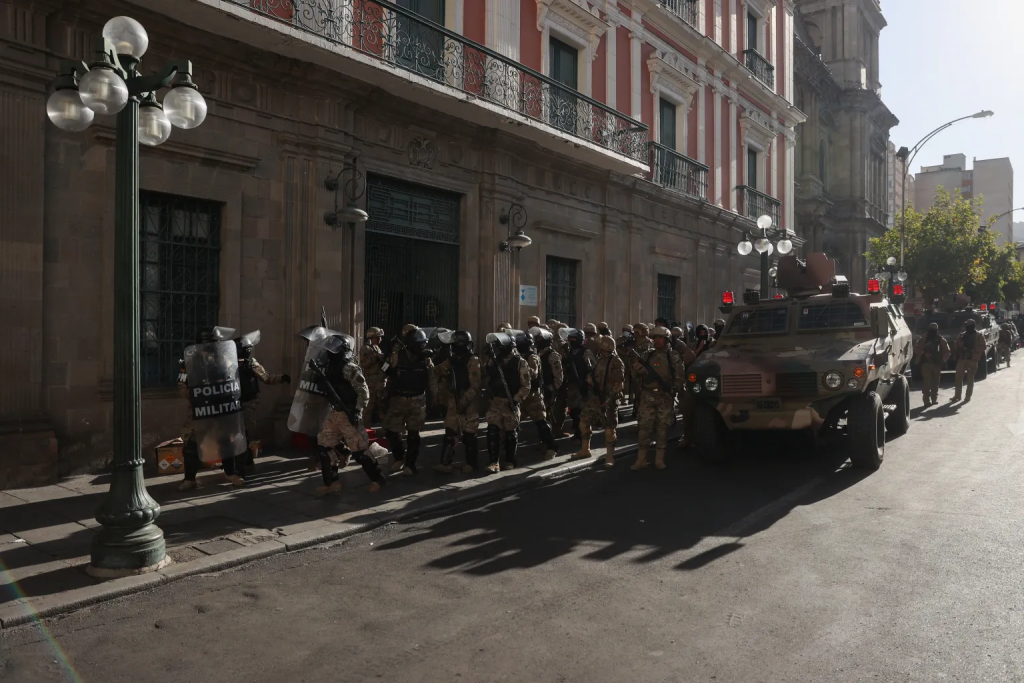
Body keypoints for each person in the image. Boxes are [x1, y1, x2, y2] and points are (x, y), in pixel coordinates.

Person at [312, 333, 387, 495]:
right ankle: (332, 483)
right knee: (325, 448)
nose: (330, 352)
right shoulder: (327, 366)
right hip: (333, 412)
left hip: (349, 412)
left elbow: (363, 392)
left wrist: (358, 411)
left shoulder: (349, 368)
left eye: (334, 349)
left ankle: (377, 479)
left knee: (360, 452)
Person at [178, 327, 245, 491]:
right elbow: (182, 385)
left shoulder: (223, 360)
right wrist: (198, 396)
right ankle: (189, 479)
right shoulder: (189, 362)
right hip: (199, 409)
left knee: (225, 440)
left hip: (220, 407)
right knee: (191, 443)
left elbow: (232, 378)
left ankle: (231, 473)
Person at [235, 331, 290, 475]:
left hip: (248, 403)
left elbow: (266, 377)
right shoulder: (229, 363)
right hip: (232, 404)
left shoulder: (251, 363)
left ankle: (245, 460)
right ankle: (239, 461)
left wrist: (282, 378)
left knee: (245, 432)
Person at [385, 325, 437, 474]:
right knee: (392, 432)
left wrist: (434, 396)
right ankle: (399, 457)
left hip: (418, 400)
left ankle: (410, 464)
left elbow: (432, 378)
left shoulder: (426, 359)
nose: (423, 347)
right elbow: (384, 372)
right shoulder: (397, 356)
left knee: (414, 434)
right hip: (398, 399)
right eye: (420, 345)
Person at [631, 327, 686, 470]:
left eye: (660, 338)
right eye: (655, 338)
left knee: (662, 429)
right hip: (647, 396)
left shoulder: (672, 356)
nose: (657, 340)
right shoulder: (647, 355)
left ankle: (659, 460)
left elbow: (680, 376)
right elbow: (634, 375)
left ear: (666, 339)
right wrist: (637, 369)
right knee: (644, 428)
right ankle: (641, 459)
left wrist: (674, 388)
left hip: (664, 397)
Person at [432, 331, 481, 474]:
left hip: (469, 402)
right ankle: (445, 463)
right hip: (453, 399)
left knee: (469, 435)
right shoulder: (452, 359)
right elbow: (437, 370)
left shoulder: (473, 360)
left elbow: (475, 385)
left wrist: (464, 401)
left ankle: (471, 464)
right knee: (450, 433)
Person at [573, 335, 625, 467]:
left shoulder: (616, 362)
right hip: (594, 398)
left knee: (609, 429)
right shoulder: (600, 359)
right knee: (584, 421)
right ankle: (585, 449)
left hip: (608, 400)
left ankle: (609, 456)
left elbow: (619, 384)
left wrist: (609, 399)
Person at [483, 334, 531, 472]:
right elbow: (486, 373)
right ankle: (493, 462)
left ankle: (510, 460)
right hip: (496, 401)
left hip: (511, 402)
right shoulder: (495, 360)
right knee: (492, 431)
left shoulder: (520, 362)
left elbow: (526, 386)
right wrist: (489, 359)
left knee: (511, 433)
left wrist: (516, 399)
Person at [515, 331, 559, 461]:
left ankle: (552, 447)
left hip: (533, 396)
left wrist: (520, 365)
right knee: (512, 423)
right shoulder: (519, 356)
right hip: (521, 395)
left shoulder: (532, 357)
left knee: (541, 423)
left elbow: (533, 374)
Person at [554, 328, 595, 440]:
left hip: (582, 384)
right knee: (573, 410)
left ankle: (581, 434)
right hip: (571, 385)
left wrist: (588, 382)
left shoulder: (586, 352)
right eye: (570, 339)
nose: (571, 341)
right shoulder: (569, 352)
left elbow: (592, 368)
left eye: (573, 339)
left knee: (581, 411)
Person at [914, 322, 950, 407]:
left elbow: (947, 351)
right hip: (926, 363)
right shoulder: (923, 338)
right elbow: (916, 349)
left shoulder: (940, 339)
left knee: (935, 382)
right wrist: (924, 353)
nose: (932, 331)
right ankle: (926, 400)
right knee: (927, 382)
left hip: (937, 364)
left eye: (934, 329)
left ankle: (934, 399)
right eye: (931, 329)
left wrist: (943, 359)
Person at [952, 317, 986, 403]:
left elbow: (983, 346)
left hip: (972, 360)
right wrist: (959, 344)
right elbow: (955, 345)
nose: (967, 327)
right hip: (962, 359)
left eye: (968, 325)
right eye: (966, 325)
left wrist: (973, 350)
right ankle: (957, 395)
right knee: (958, 378)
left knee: (970, 379)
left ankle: (967, 397)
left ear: (972, 326)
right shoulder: (962, 335)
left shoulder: (978, 336)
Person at [359, 327, 388, 425]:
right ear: (373, 337)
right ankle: (366, 428)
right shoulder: (366, 348)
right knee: (368, 407)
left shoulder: (376, 347)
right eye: (379, 337)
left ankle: (386, 428)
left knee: (383, 406)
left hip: (380, 381)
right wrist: (374, 357)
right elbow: (364, 364)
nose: (381, 339)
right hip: (371, 382)